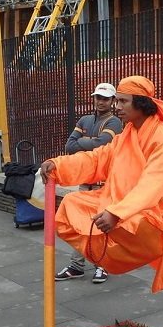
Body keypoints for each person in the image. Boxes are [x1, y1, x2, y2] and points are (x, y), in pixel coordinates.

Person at [40, 75, 163, 293]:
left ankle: (110, 260)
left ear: (141, 103)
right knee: (72, 202)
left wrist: (116, 212)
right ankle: (103, 261)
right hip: (123, 201)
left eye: (123, 101)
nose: (117, 107)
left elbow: (153, 183)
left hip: (155, 212)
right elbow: (99, 158)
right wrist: (58, 165)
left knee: (128, 222)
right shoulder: (128, 132)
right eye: (117, 101)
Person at [55, 82, 123, 284]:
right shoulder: (85, 119)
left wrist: (84, 143)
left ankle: (101, 265)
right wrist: (91, 143)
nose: (100, 101)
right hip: (85, 181)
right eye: (98, 97)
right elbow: (69, 145)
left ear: (112, 101)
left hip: (103, 183)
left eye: (105, 98)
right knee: (79, 224)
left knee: (99, 226)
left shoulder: (115, 122)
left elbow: (102, 145)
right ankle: (77, 266)